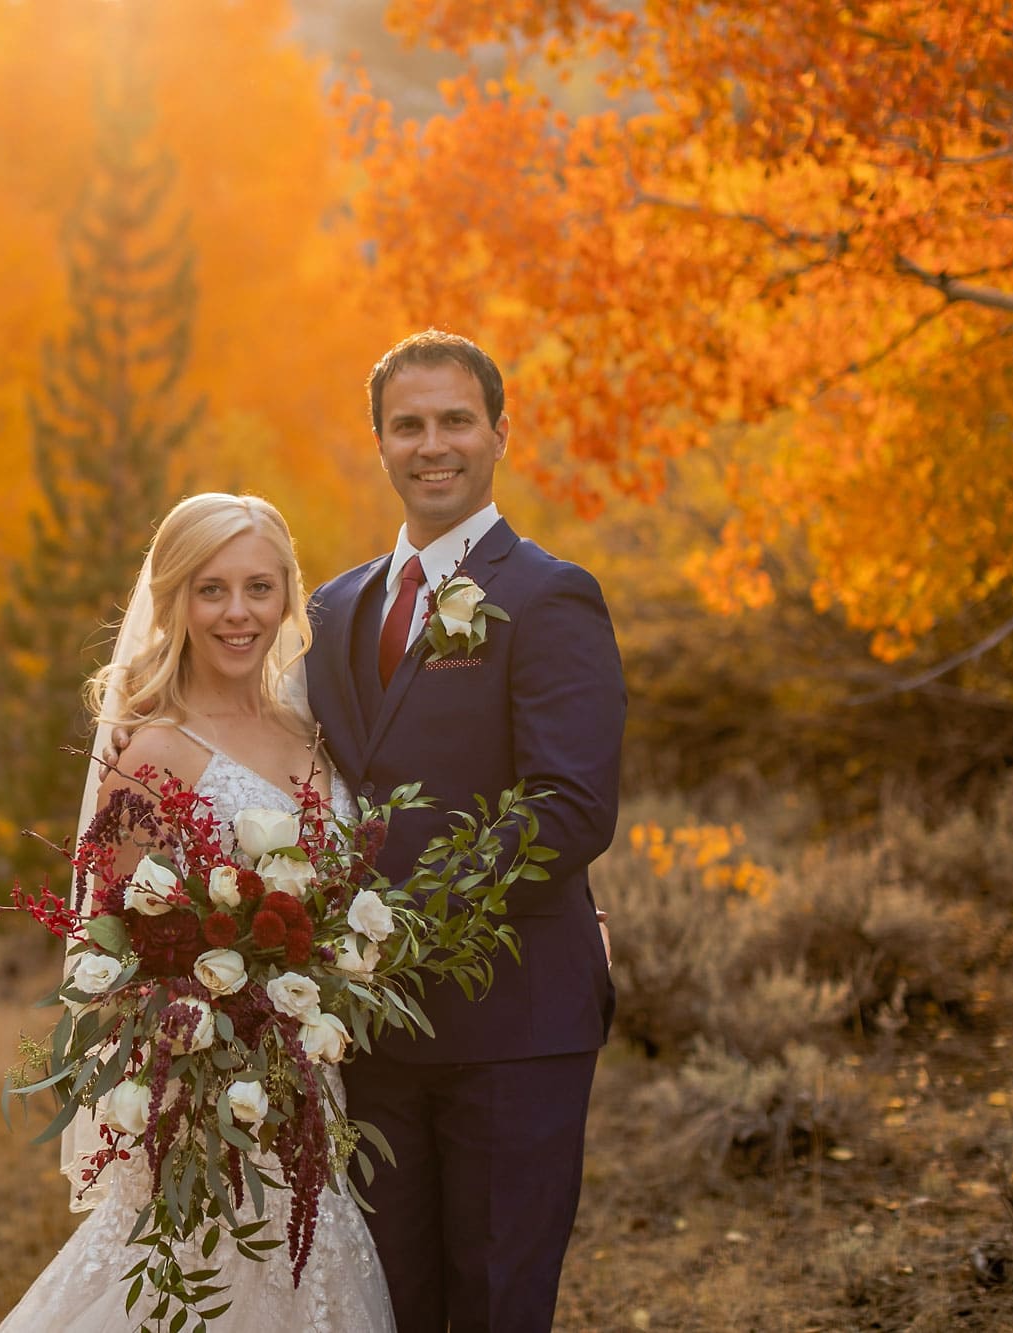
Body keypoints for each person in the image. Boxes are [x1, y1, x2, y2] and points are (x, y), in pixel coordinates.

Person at [0, 493, 396, 1332]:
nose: (238, 612)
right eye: (211, 589)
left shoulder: (311, 731)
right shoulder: (155, 752)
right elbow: (116, 956)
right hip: (208, 1109)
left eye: (260, 586)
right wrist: (206, 1060)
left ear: (289, 594)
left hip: (314, 1091)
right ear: (175, 598)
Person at [308, 329, 624, 1332]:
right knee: (387, 1305)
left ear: (498, 431)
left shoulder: (548, 595)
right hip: (370, 1041)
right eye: (407, 425)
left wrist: (402, 922)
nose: (430, 444)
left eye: (453, 420)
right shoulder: (332, 606)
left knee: (494, 1305)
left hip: (512, 1024)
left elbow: (569, 803)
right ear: (378, 441)